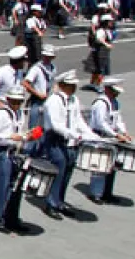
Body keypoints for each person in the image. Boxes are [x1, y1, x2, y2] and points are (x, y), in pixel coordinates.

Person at [41, 71, 97, 220]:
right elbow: (56, 124)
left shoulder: (73, 100)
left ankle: (60, 200)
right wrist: (75, 135)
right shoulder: (54, 100)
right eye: (71, 85)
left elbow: (78, 120)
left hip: (70, 140)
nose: (74, 88)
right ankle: (50, 203)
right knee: (58, 167)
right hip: (55, 138)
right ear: (63, 85)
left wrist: (90, 135)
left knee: (68, 168)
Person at [0, 86, 34, 233]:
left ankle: (11, 217)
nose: (17, 104)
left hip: (15, 152)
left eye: (19, 101)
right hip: (3, 152)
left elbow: (18, 132)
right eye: (14, 101)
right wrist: (9, 137)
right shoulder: (2, 115)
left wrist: (25, 135)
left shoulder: (19, 114)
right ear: (8, 100)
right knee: (3, 185)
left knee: (16, 186)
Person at [87, 78, 131, 205]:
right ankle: (95, 193)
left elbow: (118, 119)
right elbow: (101, 123)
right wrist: (116, 134)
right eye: (114, 91)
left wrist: (124, 132)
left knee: (112, 166)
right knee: (99, 165)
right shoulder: (100, 103)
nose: (116, 94)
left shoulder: (115, 103)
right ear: (107, 89)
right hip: (100, 136)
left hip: (111, 137)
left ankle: (107, 192)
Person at [84, 13, 114, 91]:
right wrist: (106, 44)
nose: (111, 23)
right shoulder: (101, 30)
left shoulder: (108, 31)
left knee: (97, 69)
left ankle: (93, 83)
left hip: (105, 52)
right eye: (110, 21)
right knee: (100, 70)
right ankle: (98, 84)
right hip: (100, 52)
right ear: (106, 22)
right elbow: (99, 38)